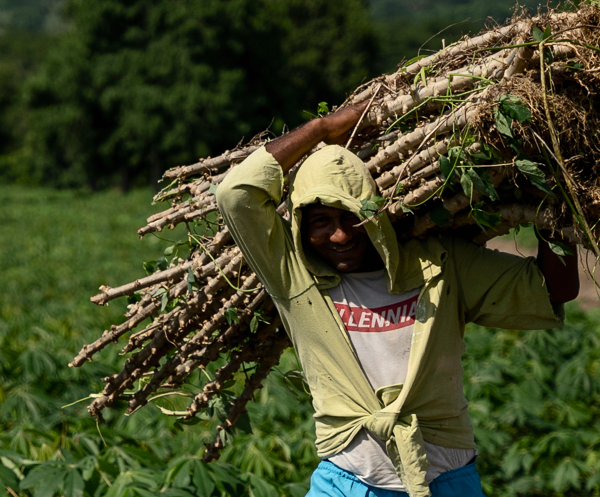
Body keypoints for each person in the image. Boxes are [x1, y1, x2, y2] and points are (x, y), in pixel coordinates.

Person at [215, 102, 580, 497]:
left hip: (447, 481)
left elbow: (553, 290)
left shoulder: (438, 263)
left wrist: (551, 196)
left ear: (375, 212)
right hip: (346, 484)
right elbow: (236, 193)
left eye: (351, 216)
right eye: (320, 221)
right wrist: (321, 128)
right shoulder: (296, 280)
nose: (340, 235)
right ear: (302, 227)